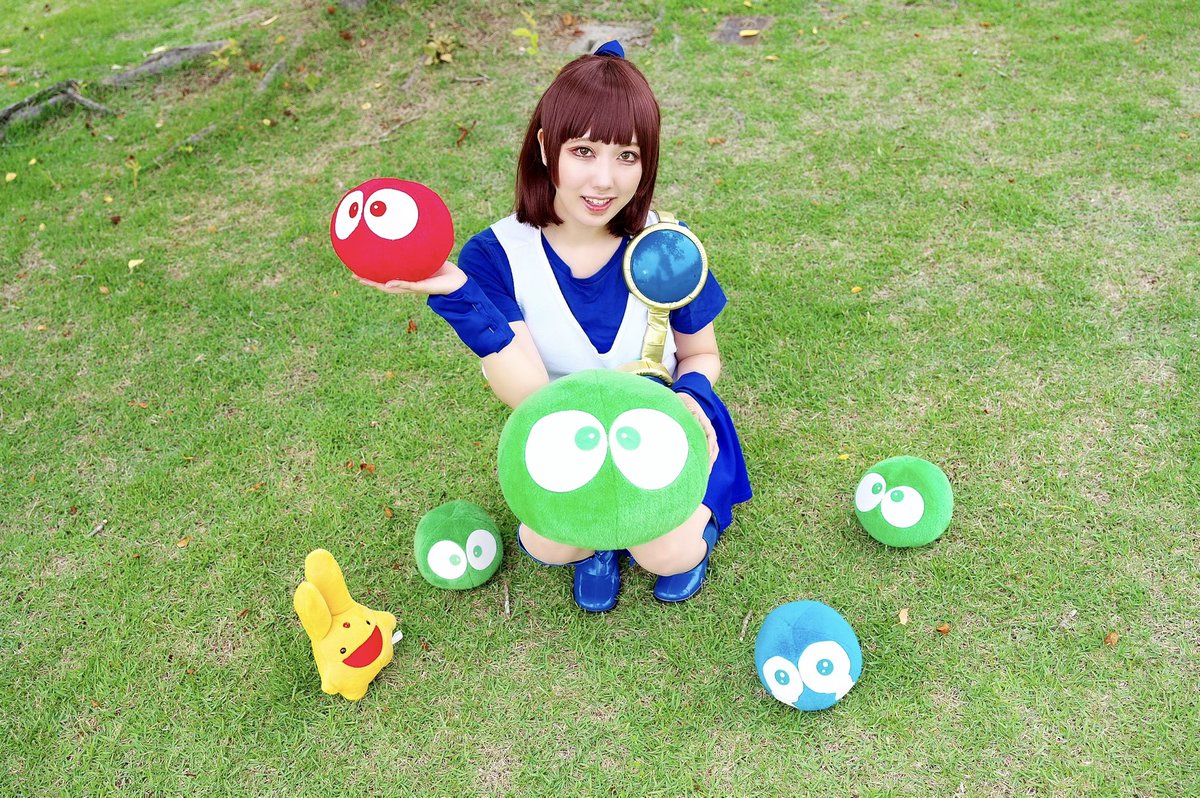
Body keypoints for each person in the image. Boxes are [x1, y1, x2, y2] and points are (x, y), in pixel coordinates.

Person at [356, 41, 751, 611]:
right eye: (583, 150)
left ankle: (685, 537)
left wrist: (689, 397)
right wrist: (460, 294)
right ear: (546, 146)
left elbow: (701, 355)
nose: (605, 180)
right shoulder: (497, 254)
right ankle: (602, 540)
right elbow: (530, 394)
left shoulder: (666, 244)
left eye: (627, 155)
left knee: (666, 554)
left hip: (667, 424)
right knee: (548, 544)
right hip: (571, 431)